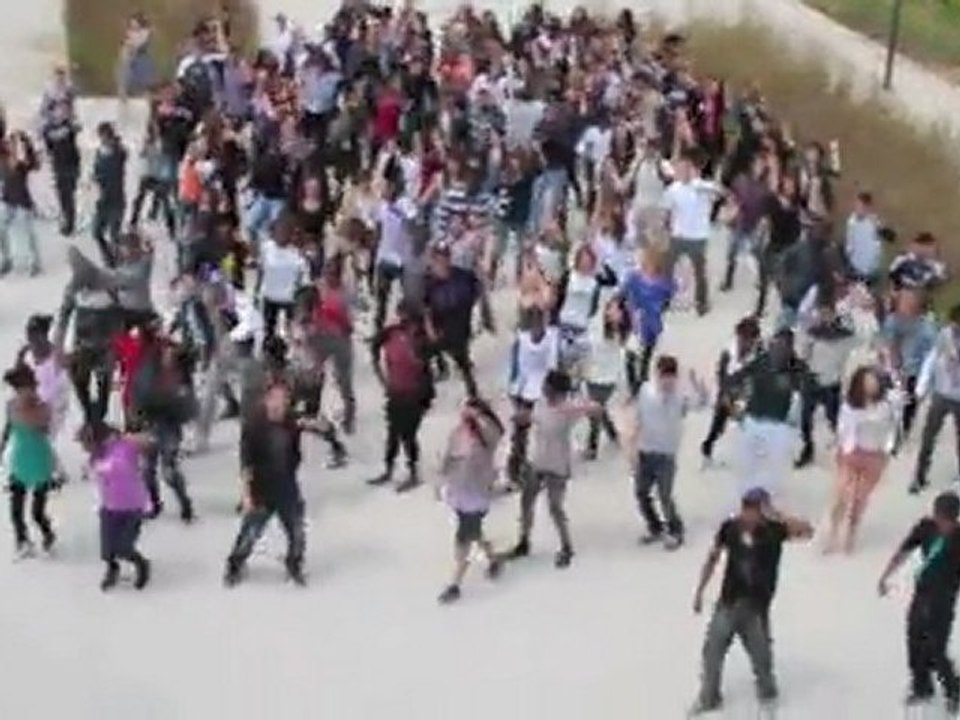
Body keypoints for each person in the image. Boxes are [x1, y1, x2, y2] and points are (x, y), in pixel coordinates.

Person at [690, 488, 814, 715]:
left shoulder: (775, 531)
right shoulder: (730, 528)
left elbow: (807, 532)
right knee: (712, 653)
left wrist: (780, 515)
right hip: (728, 601)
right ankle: (709, 698)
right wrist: (700, 590)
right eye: (747, 508)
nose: (749, 515)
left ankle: (767, 695)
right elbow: (713, 557)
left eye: (755, 510)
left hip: (756, 607)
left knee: (761, 657)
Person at [225, 382, 318, 588]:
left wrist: (321, 426)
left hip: (287, 486)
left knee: (296, 530)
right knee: (249, 532)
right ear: (266, 400)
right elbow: (246, 463)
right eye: (274, 398)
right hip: (261, 487)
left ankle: (294, 564)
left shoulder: (291, 422)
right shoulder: (254, 427)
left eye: (283, 399)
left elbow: (312, 425)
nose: (279, 404)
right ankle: (235, 563)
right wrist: (247, 494)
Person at [508, 370, 601, 569]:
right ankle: (524, 541)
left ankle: (566, 546)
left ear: (559, 392)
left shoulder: (568, 409)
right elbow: (533, 417)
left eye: (548, 389)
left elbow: (594, 407)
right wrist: (522, 417)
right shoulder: (541, 404)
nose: (545, 391)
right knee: (526, 502)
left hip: (557, 465)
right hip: (538, 460)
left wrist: (589, 407)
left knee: (555, 507)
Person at [879, 491, 960, 714]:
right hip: (923, 591)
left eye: (948, 521)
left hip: (944, 598)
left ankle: (953, 690)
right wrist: (886, 575)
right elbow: (904, 550)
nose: (944, 525)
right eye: (941, 519)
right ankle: (921, 685)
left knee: (937, 646)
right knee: (914, 639)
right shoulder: (926, 528)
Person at [626, 355, 707, 550]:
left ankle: (675, 529)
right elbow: (637, 419)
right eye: (664, 376)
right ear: (657, 374)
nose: (667, 381)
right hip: (646, 451)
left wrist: (699, 386)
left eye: (671, 376)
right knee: (641, 492)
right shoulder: (646, 392)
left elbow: (701, 404)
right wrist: (632, 448)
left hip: (666, 455)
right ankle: (655, 527)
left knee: (665, 495)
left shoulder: (681, 398)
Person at [435, 397, 506, 604]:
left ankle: (455, 583)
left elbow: (450, 461)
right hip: (466, 493)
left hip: (472, 495)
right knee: (474, 532)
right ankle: (493, 559)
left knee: (463, 540)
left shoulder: (482, 438)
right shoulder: (467, 436)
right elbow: (447, 461)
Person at [826, 366, 897, 554]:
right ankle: (833, 534)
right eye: (866, 383)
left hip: (874, 456)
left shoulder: (886, 405)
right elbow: (843, 429)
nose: (870, 387)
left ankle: (851, 533)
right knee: (841, 494)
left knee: (860, 499)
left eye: (873, 383)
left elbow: (892, 429)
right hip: (851, 453)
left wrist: (887, 451)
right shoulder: (849, 406)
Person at [368, 299, 435, 493]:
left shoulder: (421, 339)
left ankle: (413, 471)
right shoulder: (391, 333)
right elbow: (374, 346)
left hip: (414, 394)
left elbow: (429, 355)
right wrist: (381, 376)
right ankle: (389, 468)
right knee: (393, 433)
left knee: (408, 434)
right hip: (396, 391)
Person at [79, 422, 152, 591]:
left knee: (124, 546)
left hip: (132, 506)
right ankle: (112, 568)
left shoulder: (122, 448)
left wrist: (98, 467)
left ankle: (141, 564)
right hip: (109, 506)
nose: (85, 449)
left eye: (86, 444)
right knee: (107, 547)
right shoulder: (97, 455)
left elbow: (121, 466)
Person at [0, 364, 56, 557]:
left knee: (36, 512)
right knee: (15, 509)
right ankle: (22, 540)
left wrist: (31, 406)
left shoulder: (41, 406)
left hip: (39, 458)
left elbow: (43, 426)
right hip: (20, 458)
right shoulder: (11, 406)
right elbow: (8, 428)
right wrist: (2, 447)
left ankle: (47, 535)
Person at [912, 304, 960, 495]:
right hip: (941, 392)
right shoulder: (945, 335)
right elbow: (932, 358)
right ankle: (920, 475)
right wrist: (922, 385)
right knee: (928, 435)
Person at [91, 122, 128, 267]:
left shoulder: (118, 152)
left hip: (116, 199)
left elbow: (121, 156)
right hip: (102, 200)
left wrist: (116, 142)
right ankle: (109, 259)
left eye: (105, 136)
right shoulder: (100, 152)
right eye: (101, 136)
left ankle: (117, 265)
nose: (102, 139)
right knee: (96, 232)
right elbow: (97, 171)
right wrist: (95, 178)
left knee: (114, 235)